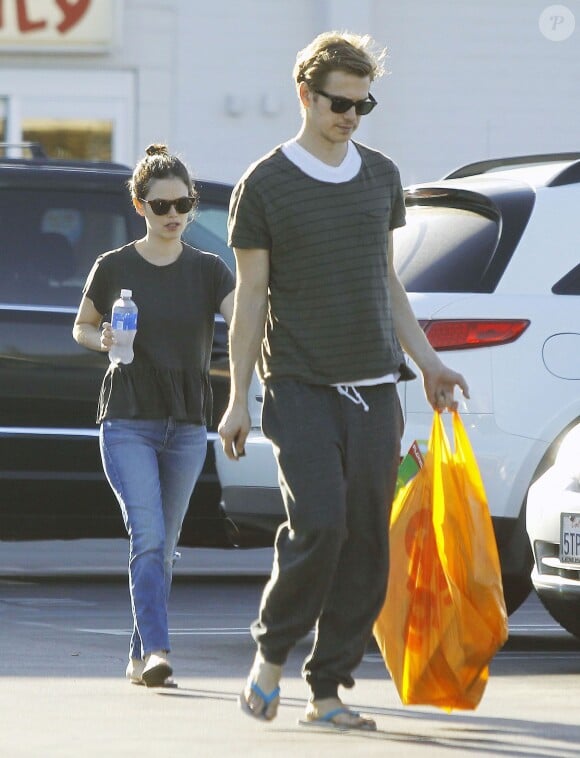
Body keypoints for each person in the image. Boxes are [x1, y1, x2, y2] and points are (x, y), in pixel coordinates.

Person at [218, 31, 469, 730]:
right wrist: (238, 398)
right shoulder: (264, 184)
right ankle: (270, 656)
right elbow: (251, 299)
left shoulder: (381, 176)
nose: (351, 116)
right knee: (320, 526)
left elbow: (386, 283)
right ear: (305, 94)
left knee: (367, 543)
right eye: (339, 103)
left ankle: (326, 692)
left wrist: (431, 364)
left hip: (373, 389)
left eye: (363, 104)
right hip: (298, 386)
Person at [73, 144, 235, 688]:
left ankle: (139, 651)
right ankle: (160, 651)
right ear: (140, 205)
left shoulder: (210, 270)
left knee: (163, 547)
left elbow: (245, 320)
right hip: (127, 418)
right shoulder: (114, 266)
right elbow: (82, 326)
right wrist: (106, 340)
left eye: (183, 204)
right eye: (161, 205)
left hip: (187, 423)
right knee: (146, 537)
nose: (174, 215)